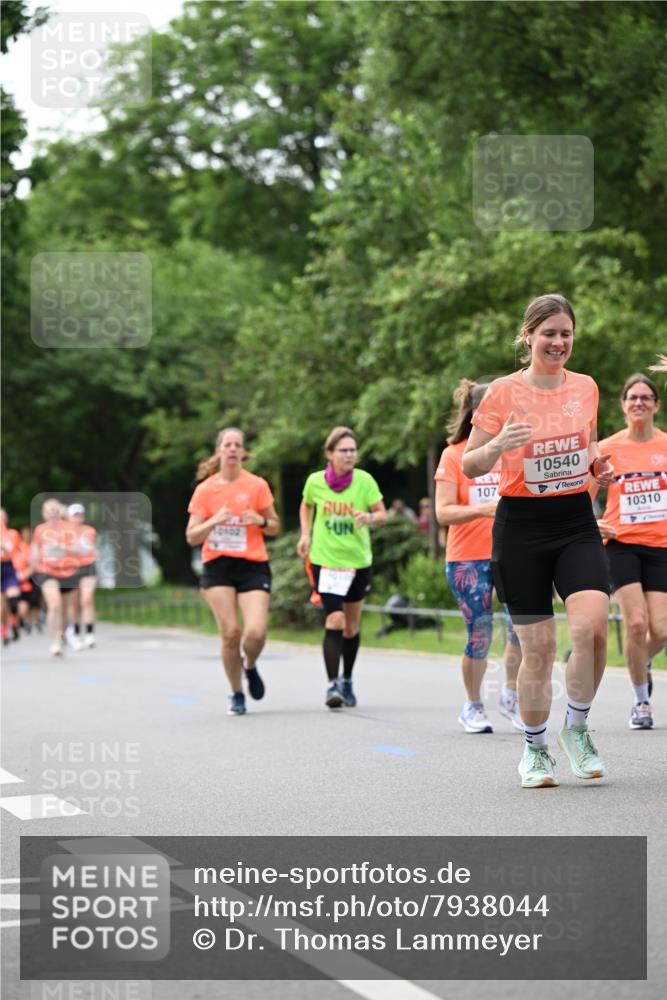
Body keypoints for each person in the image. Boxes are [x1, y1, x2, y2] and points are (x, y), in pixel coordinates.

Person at [463, 293, 614, 788]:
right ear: (528, 336)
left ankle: (577, 727)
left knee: (592, 630)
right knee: (540, 648)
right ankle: (534, 748)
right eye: (548, 333)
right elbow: (470, 463)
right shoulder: (503, 392)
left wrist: (597, 465)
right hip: (521, 527)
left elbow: (587, 443)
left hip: (574, 522)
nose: (558, 342)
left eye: (566, 333)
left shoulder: (587, 387)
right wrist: (496, 445)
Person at [435, 379, 523, 734]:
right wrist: (483, 509)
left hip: (513, 553)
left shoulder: (513, 451)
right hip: (467, 559)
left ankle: (512, 696)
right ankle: (472, 705)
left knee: (521, 630)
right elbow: (442, 512)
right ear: (474, 414)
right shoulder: (454, 455)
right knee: (480, 632)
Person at [590, 373, 666, 730]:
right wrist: (593, 525)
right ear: (622, 405)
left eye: (645, 397)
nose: (639, 402)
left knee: (661, 632)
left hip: (662, 547)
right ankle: (641, 701)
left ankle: (641, 661)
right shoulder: (607, 449)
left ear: (656, 405)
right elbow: (580, 498)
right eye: (632, 397)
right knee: (636, 624)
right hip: (621, 544)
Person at [186, 427, 279, 716]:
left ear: (243, 452)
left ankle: (249, 664)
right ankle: (236, 693)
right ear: (219, 451)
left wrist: (260, 522)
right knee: (230, 633)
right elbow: (192, 536)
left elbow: (275, 525)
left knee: (255, 632)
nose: (232, 449)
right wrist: (214, 520)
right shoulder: (205, 490)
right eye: (227, 444)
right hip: (218, 566)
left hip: (252, 564)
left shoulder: (257, 485)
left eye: (238, 444)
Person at [297, 426, 387, 708]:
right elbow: (306, 505)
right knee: (334, 620)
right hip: (327, 561)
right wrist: (305, 534)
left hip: (358, 561)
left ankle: (347, 679)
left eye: (352, 450)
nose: (349, 455)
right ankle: (331, 685)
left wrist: (369, 518)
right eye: (343, 450)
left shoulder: (364, 481)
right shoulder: (315, 482)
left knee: (351, 626)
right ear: (330, 453)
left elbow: (382, 514)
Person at [31, 499, 83, 656]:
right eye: (49, 511)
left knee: (65, 610)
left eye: (55, 510)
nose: (52, 514)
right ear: (44, 514)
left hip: (67, 571)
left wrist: (61, 546)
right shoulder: (40, 530)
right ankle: (55, 641)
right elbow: (35, 549)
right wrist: (33, 561)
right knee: (54, 604)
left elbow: (79, 548)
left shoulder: (69, 528)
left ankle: (61, 634)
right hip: (46, 571)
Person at [63, 503, 98, 650]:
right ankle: (76, 633)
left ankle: (90, 634)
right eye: (74, 515)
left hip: (87, 566)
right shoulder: (63, 532)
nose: (78, 518)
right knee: (74, 604)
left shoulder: (89, 531)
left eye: (80, 515)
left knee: (87, 599)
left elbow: (84, 548)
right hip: (71, 568)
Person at [0, 509, 22, 643]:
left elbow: (12, 550)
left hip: (8, 568)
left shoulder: (12, 534)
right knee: (1, 604)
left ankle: (14, 621)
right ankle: (3, 629)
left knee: (13, 600)